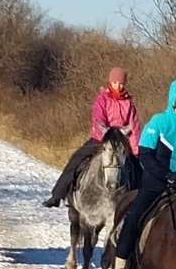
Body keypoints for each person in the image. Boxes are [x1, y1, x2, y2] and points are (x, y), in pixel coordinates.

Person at [113, 79, 176, 269]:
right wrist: (165, 176)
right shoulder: (159, 122)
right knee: (135, 215)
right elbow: (145, 155)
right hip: (154, 183)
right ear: (175, 101)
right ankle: (121, 263)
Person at [46, 66, 140, 207]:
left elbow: (134, 126)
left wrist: (136, 150)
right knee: (76, 159)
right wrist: (106, 134)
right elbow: (98, 118)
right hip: (101, 138)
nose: (118, 86)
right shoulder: (102, 98)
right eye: (115, 82)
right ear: (110, 82)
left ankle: (137, 202)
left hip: (121, 141)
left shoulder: (128, 103)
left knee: (137, 168)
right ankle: (58, 195)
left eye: (121, 83)